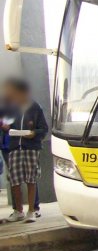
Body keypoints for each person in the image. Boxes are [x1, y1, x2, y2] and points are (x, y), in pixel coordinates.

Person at [1, 79, 47, 223]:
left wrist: (34, 133)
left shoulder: (35, 107)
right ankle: (18, 211)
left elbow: (43, 128)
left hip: (31, 147)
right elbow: (7, 124)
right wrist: (6, 126)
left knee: (31, 179)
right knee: (14, 180)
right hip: (14, 147)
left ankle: (32, 210)